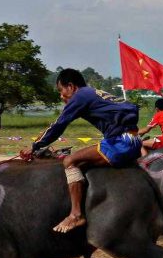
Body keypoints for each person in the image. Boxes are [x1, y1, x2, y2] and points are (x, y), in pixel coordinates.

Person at [20, 68, 141, 233]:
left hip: (120, 143)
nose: (62, 97)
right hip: (132, 140)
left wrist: (34, 146)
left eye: (61, 91)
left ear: (70, 86)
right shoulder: (93, 93)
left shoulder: (80, 96)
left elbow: (58, 125)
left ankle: (76, 214)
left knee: (70, 161)